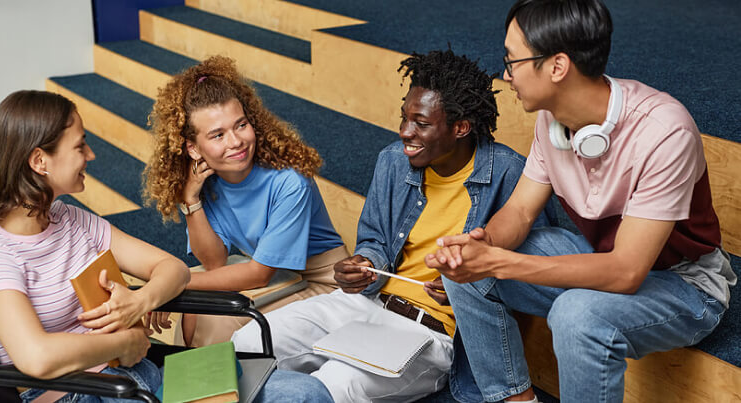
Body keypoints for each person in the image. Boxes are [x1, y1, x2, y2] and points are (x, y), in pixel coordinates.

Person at [428, 1, 737, 402]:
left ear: (557, 67)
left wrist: (501, 263)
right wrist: (480, 248)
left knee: (576, 316)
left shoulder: (664, 132)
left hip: (685, 285)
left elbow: (626, 272)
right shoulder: (553, 120)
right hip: (600, 255)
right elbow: (520, 212)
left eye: (513, 60)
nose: (505, 74)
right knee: (471, 268)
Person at [233, 49, 545, 403]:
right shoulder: (393, 161)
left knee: (336, 382)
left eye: (422, 124)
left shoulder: (509, 174)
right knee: (246, 343)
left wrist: (470, 284)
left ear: (460, 127)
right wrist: (365, 264)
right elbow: (376, 242)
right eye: (404, 118)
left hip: (431, 333)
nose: (405, 132)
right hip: (368, 303)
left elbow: (530, 274)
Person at [0, 90, 189, 402]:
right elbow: (35, 356)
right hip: (73, 394)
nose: (91, 155)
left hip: (129, 376)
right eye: (80, 145)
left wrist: (141, 302)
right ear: (40, 161)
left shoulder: (73, 221)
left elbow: (173, 268)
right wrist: (124, 342)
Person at [143, 56, 349, 347]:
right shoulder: (209, 182)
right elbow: (214, 261)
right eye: (217, 135)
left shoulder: (289, 181)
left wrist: (167, 287)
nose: (235, 141)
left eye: (240, 125)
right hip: (282, 276)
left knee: (214, 315)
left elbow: (259, 274)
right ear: (192, 148)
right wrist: (191, 200)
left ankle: (210, 388)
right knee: (195, 306)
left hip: (323, 283)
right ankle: (197, 384)